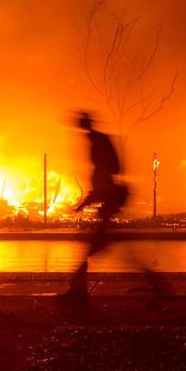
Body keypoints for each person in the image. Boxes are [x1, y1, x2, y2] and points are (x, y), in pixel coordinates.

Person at [57, 111, 129, 306]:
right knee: (97, 249)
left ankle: (78, 291)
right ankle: (78, 290)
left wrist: (84, 204)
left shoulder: (98, 144)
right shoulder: (99, 141)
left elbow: (103, 180)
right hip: (109, 205)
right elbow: (108, 175)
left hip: (108, 206)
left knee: (93, 249)